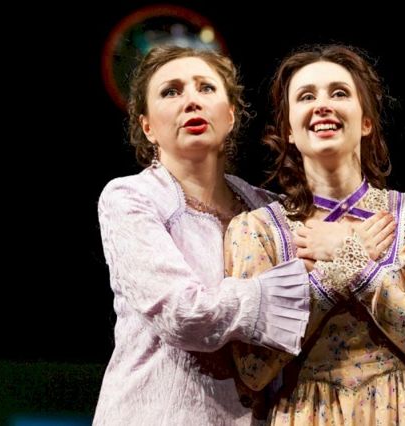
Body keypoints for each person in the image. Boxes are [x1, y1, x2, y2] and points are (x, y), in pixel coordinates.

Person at [224, 44, 405, 424]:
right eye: (306, 97)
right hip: (311, 414)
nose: (323, 105)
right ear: (288, 130)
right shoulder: (257, 230)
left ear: (366, 121)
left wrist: (352, 261)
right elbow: (253, 369)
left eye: (339, 93)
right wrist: (339, 269)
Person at [93, 45, 320, 425]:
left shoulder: (271, 210)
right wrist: (288, 287)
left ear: (230, 116)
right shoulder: (130, 197)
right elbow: (182, 314)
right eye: (171, 91)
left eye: (206, 88)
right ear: (147, 127)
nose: (191, 101)